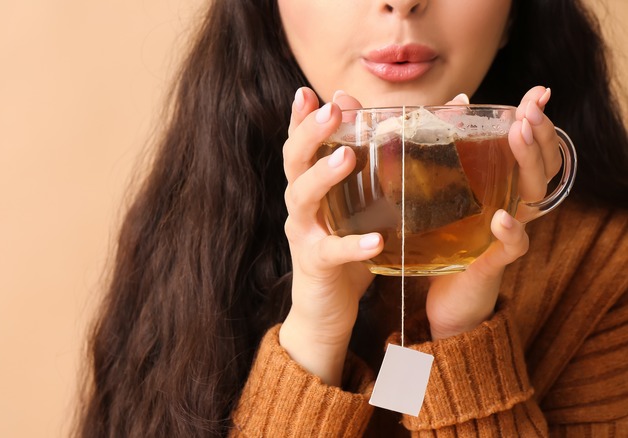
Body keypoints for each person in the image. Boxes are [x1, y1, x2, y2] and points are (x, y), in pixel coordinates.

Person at [75, 0, 628, 436]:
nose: (401, 3)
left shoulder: (603, 268)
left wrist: (461, 336)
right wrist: (314, 338)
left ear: (516, 13)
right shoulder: (192, 235)